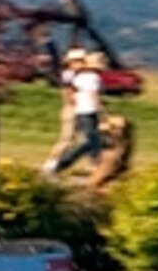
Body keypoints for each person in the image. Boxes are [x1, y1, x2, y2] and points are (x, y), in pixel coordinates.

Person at [43, 46, 110, 176]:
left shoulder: (79, 75)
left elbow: (74, 91)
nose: (80, 64)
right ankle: (54, 165)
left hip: (79, 109)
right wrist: (101, 110)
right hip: (80, 110)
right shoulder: (76, 75)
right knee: (71, 140)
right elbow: (77, 93)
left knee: (88, 140)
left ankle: (91, 164)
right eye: (78, 61)